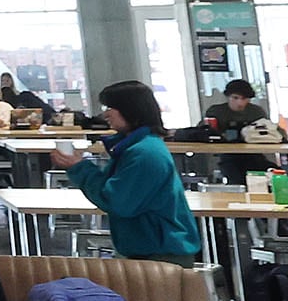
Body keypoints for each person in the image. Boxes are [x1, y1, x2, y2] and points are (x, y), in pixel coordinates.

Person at [49, 81, 201, 266]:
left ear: (131, 109)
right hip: (150, 250)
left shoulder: (145, 153)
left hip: (160, 255)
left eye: (111, 107)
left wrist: (80, 168)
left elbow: (117, 201)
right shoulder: (135, 148)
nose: (105, 113)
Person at [202, 77, 279, 182]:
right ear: (228, 97)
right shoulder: (216, 112)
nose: (240, 103)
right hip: (227, 155)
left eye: (244, 99)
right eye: (235, 98)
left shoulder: (256, 112)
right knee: (236, 178)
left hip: (253, 155)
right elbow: (202, 132)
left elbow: (269, 132)